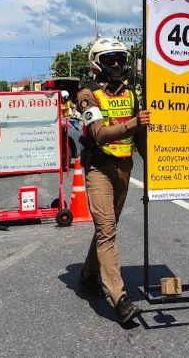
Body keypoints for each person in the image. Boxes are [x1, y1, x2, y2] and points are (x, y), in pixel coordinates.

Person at [76, 37, 149, 325]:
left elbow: (140, 137)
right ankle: (120, 298)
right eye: (110, 59)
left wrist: (157, 171)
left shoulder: (132, 95)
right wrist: (134, 123)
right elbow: (98, 133)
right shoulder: (87, 94)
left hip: (124, 167)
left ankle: (89, 275)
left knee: (108, 226)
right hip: (99, 169)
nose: (117, 64)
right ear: (97, 63)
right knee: (107, 230)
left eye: (120, 58)